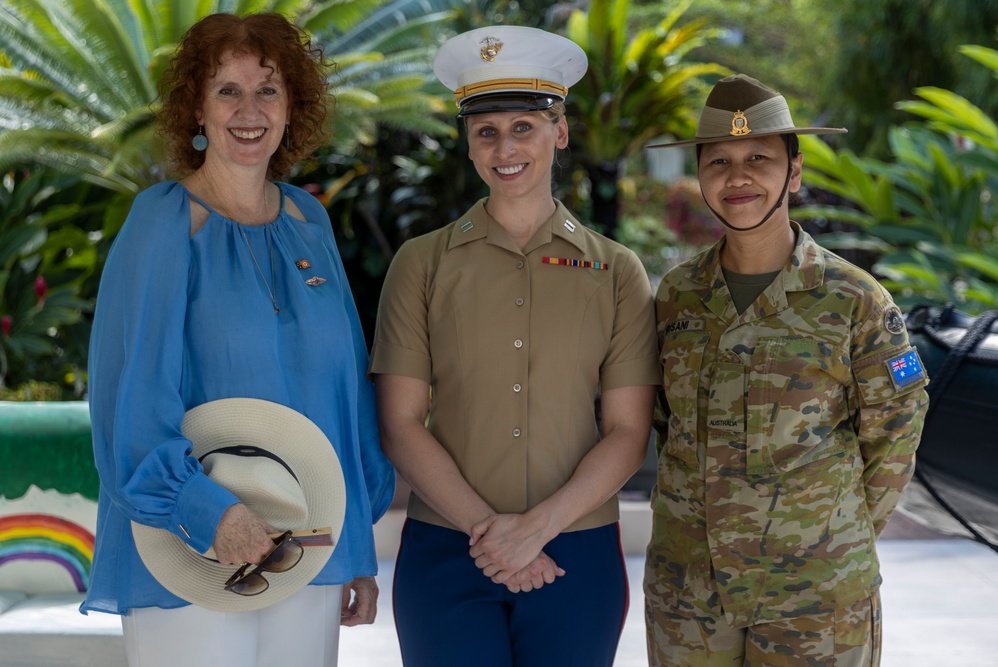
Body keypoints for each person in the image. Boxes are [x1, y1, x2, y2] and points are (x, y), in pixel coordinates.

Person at [81, 12, 394, 666]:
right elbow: (129, 401)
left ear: (291, 108)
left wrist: (354, 550)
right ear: (195, 107)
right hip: (191, 548)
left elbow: (346, 398)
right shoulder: (163, 224)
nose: (249, 109)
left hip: (305, 542)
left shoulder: (310, 221)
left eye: (268, 89)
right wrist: (208, 511)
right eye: (228, 90)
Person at [368, 25, 660, 667]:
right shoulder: (422, 264)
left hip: (574, 554)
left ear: (559, 132)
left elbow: (627, 431)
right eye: (487, 131)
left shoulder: (616, 272)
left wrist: (535, 530)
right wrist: (492, 535)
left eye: (524, 127)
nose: (506, 148)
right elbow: (398, 421)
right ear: (468, 145)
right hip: (446, 553)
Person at [643, 74, 930, 666]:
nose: (738, 176)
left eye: (759, 158)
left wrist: (830, 533)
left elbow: (895, 432)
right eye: (718, 160)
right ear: (700, 178)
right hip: (690, 594)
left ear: (793, 173)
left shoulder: (854, 298)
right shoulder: (675, 296)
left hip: (816, 596)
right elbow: (662, 423)